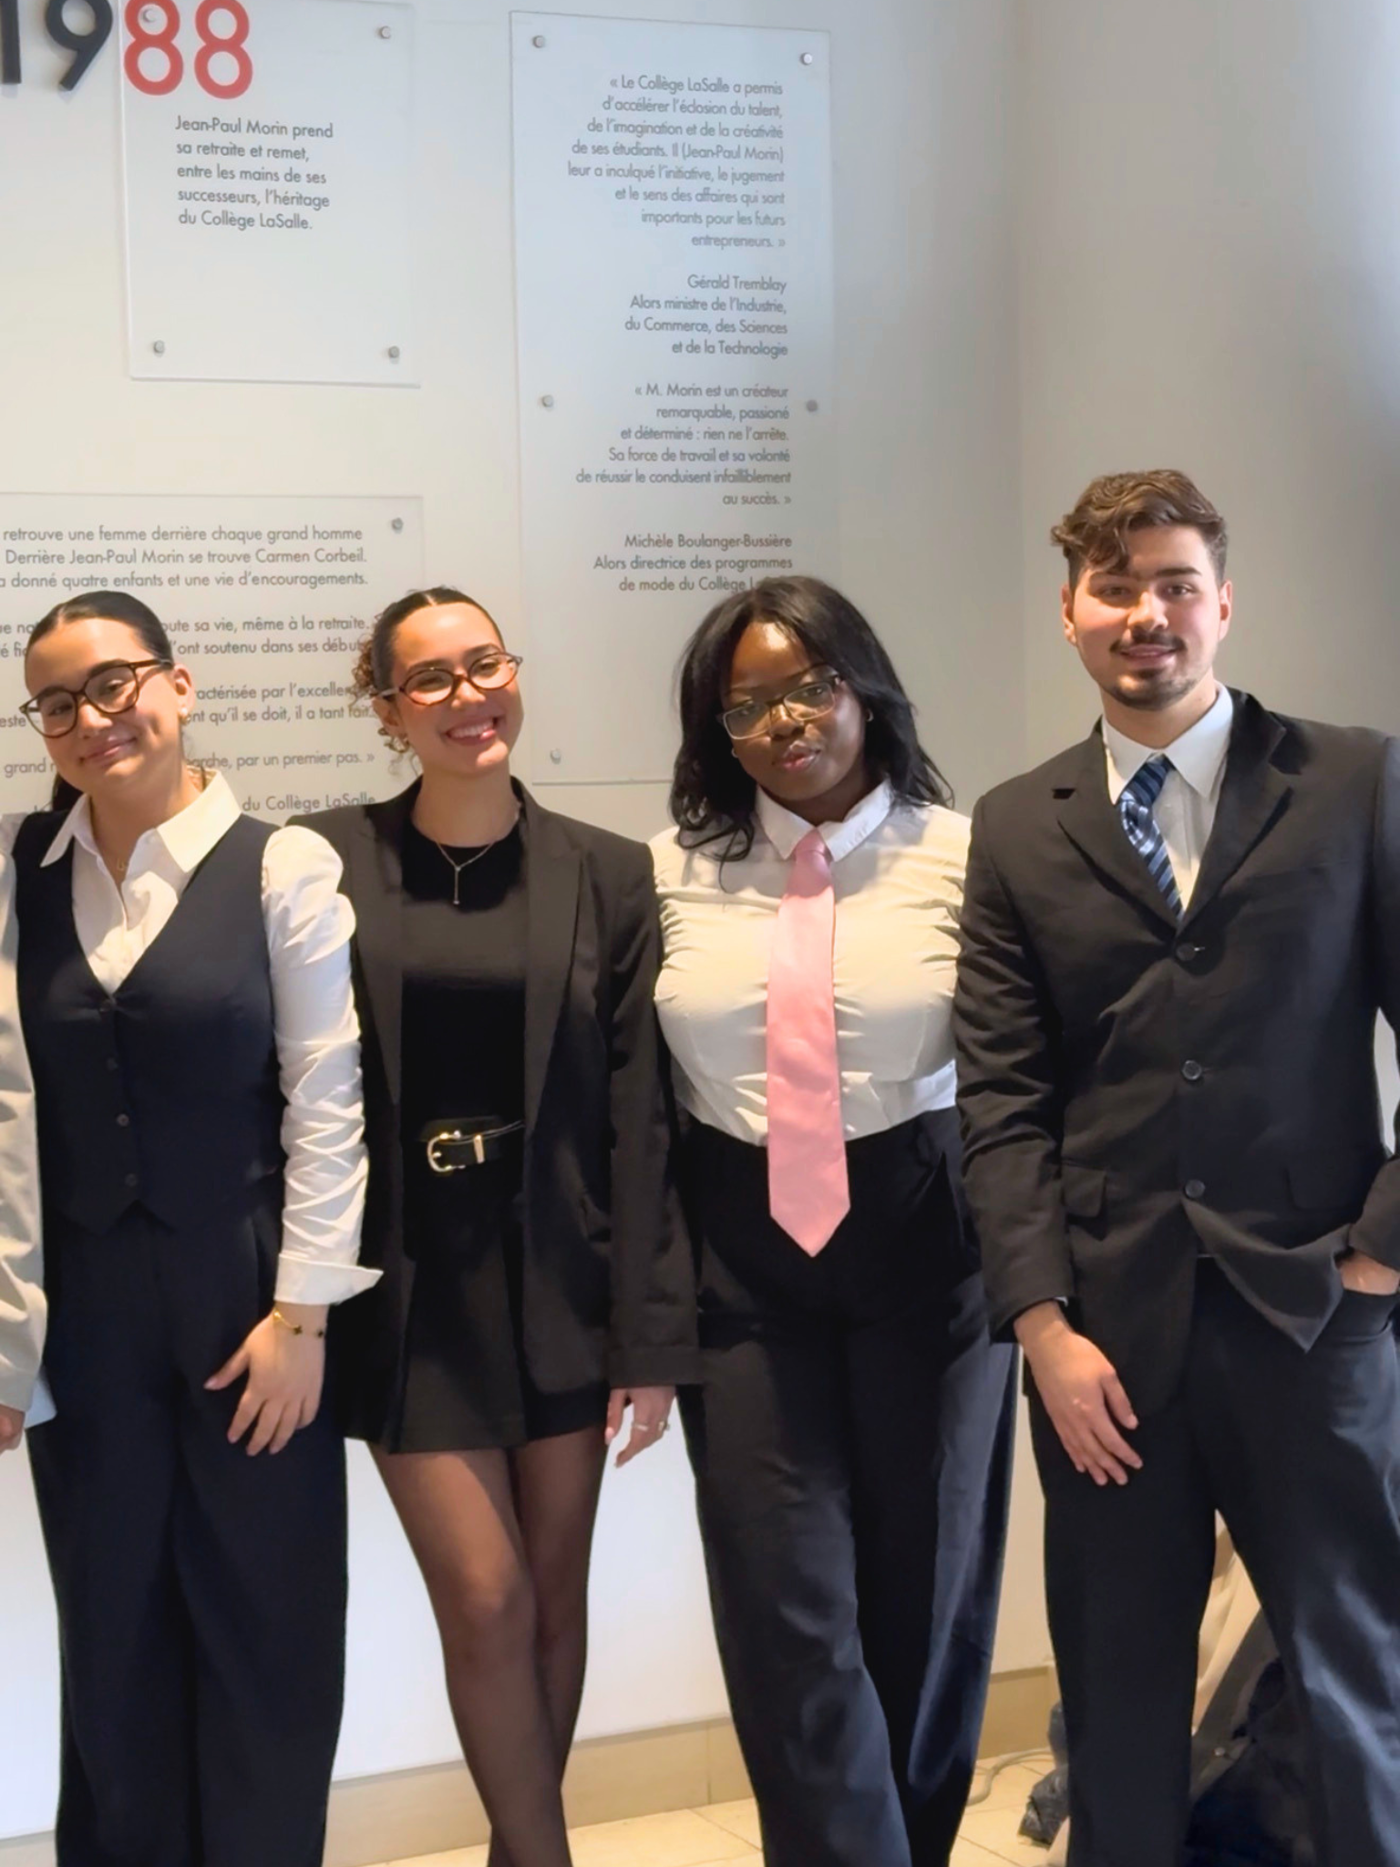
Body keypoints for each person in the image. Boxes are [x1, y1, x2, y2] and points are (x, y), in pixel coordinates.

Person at [953, 470, 1400, 1867]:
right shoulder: (1020, 821)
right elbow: (1005, 1094)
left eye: (1174, 584)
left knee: (1355, 1683)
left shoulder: (1355, 778)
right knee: (1118, 1698)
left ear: (1222, 599)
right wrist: (1041, 1323)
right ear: (1071, 614)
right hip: (1107, 1343)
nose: (1147, 613)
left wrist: (1381, 1256)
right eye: (1116, 588)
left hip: (1315, 1315)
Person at [300, 585, 697, 1867]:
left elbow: (643, 1117)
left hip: (561, 1278)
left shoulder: (607, 868)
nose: (468, 696)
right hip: (407, 1285)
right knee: (486, 1595)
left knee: (550, 1604)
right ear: (386, 710)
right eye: (430, 679)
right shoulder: (322, 859)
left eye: (484, 665)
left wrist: (649, 1332)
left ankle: (516, 1849)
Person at [0, 590, 375, 1867]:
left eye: (114, 684)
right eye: (58, 702)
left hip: (248, 1317)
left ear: (180, 682)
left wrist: (304, 1313)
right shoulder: (20, 878)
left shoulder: (280, 863)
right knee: (112, 1642)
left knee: (267, 1636)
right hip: (87, 1331)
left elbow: (328, 1098)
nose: (92, 719)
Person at [651, 575, 1017, 1867]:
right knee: (784, 1605)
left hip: (935, 1247)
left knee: (927, 1593)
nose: (785, 719)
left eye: (809, 684)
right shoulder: (671, 870)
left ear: (865, 686)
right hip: (744, 1260)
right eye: (747, 702)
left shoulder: (970, 855)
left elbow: (1029, 1078)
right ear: (716, 729)